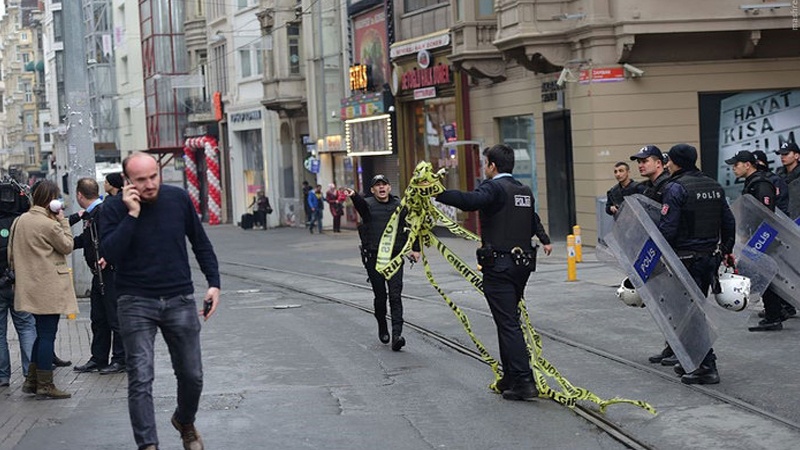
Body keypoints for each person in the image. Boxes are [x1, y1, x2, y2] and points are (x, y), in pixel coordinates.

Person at [101, 152, 220, 450]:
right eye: (141, 180)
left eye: (154, 176)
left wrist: (213, 284)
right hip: (135, 302)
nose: (150, 184)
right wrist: (132, 214)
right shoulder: (113, 209)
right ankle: (148, 445)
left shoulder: (177, 199)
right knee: (141, 377)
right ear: (127, 182)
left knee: (192, 375)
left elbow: (200, 243)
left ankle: (185, 421)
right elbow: (109, 254)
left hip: (179, 298)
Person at [435, 145, 553, 401]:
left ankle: (523, 380)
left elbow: (469, 201)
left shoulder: (493, 188)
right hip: (522, 266)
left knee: (509, 323)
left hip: (499, 265)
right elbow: (532, 220)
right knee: (507, 320)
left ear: (492, 166)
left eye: (485, 163)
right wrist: (545, 239)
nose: (483, 167)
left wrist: (438, 193)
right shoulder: (523, 190)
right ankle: (511, 375)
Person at [657, 144, 735, 385]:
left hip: (686, 259)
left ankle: (707, 366)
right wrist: (726, 251)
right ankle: (693, 359)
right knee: (694, 308)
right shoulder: (713, 185)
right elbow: (728, 221)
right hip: (709, 258)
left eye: (669, 161)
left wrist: (660, 255)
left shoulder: (676, 188)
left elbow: (668, 228)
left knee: (690, 313)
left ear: (677, 162)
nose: (667, 164)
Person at [9, 180, 78, 399]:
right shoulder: (49, 225)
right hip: (48, 286)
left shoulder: (20, 221)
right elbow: (67, 245)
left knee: (41, 333)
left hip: (28, 285)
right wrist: (63, 222)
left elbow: (11, 254)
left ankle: (31, 381)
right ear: (52, 201)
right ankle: (46, 385)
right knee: (48, 334)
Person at [345, 175, 420, 351]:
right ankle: (382, 325)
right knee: (381, 297)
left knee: (395, 295)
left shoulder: (399, 206)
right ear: (372, 190)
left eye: (384, 184)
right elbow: (361, 205)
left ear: (389, 187)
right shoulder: (368, 206)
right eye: (377, 185)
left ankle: (396, 336)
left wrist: (415, 248)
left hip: (394, 258)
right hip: (374, 259)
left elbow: (412, 227)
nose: (381, 188)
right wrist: (354, 195)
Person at [70, 178, 126, 375]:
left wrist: (109, 257)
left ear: (79, 195)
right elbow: (86, 240)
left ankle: (120, 359)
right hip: (98, 274)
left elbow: (115, 237)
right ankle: (99, 358)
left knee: (114, 316)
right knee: (99, 318)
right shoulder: (92, 213)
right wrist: (64, 243)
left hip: (110, 273)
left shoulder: (103, 212)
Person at [725, 150, 786, 331]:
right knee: (765, 275)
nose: (734, 168)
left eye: (736, 164)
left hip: (763, 238)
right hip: (755, 237)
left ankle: (774, 316)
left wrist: (754, 236)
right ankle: (774, 313)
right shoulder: (752, 183)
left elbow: (765, 214)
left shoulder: (761, 184)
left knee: (767, 277)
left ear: (748, 164)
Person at [0, 181, 36, 388]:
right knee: (26, 327)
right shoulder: (23, 222)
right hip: (19, 283)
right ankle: (30, 374)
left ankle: (3, 376)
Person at [775, 142, 800, 219]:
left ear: (796, 156)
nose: (782, 157)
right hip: (785, 217)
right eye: (781, 154)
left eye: (786, 154)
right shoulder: (778, 175)